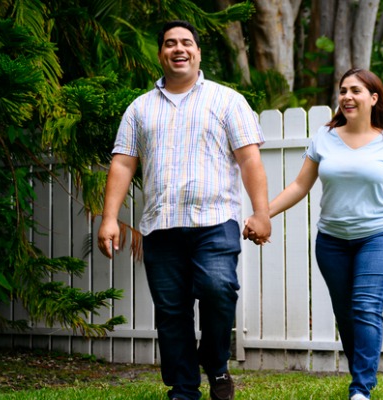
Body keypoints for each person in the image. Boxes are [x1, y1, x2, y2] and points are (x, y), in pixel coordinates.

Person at [97, 20, 270, 400]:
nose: (179, 49)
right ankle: (183, 390)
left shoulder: (227, 100)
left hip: (215, 221)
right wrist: (109, 218)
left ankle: (215, 361)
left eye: (187, 43)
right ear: (160, 53)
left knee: (218, 288)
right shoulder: (139, 108)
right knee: (172, 313)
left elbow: (249, 160)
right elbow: (123, 164)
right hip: (160, 225)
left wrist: (261, 212)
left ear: (198, 52)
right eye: (170, 43)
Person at [248, 68, 383, 400]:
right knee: (346, 313)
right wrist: (262, 214)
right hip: (332, 241)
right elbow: (300, 185)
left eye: (355, 90)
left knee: (365, 306)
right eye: (343, 90)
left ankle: (361, 389)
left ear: (373, 98)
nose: (347, 96)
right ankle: (363, 374)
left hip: (381, 235)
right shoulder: (324, 137)